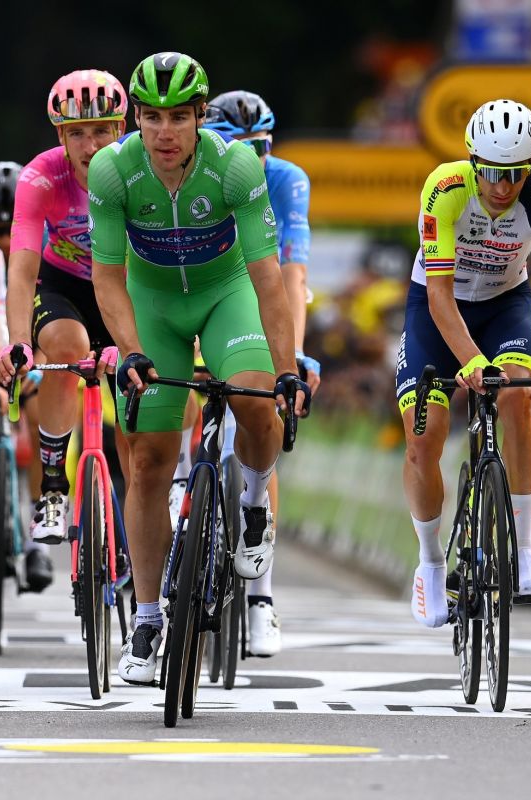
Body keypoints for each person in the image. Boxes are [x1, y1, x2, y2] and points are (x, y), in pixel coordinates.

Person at [87, 52, 310, 685]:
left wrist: (287, 370)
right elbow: (108, 278)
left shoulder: (236, 166)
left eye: (179, 118)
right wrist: (131, 348)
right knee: (148, 462)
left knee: (255, 401)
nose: (165, 132)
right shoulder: (112, 170)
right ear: (135, 118)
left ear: (200, 117)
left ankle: (255, 501)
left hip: (225, 294)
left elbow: (268, 280)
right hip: (152, 304)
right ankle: (147, 616)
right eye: (152, 118)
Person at [396, 99, 531, 629]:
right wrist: (471, 360)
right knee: (423, 436)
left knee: (519, 395)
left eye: (516, 173)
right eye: (494, 173)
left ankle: (524, 549)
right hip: (437, 308)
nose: (503, 186)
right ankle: (431, 564)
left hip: (505, 305)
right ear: (474, 162)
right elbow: (438, 296)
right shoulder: (445, 187)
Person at [203, 89, 320, 656]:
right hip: (205, 294)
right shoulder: (198, 173)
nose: (254, 159)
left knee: (259, 424)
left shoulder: (286, 180)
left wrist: (291, 355)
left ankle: (261, 599)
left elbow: (292, 275)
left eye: (263, 147)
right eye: (240, 148)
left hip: (263, 296)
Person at [0, 69, 128, 548]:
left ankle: (149, 504)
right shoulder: (41, 176)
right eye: (77, 134)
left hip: (127, 291)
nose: (90, 146)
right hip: (63, 286)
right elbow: (21, 268)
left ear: (121, 130)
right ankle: (53, 487)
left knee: (137, 422)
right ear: (60, 137)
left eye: (101, 131)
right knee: (67, 346)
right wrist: (18, 342)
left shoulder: (142, 172)